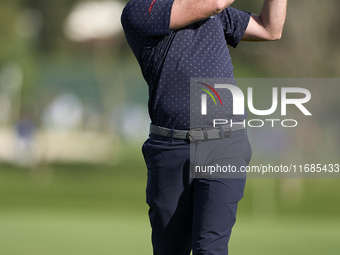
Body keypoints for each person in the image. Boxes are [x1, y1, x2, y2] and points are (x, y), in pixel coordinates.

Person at [121, 0, 287, 254]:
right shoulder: (141, 10)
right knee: (170, 248)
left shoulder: (216, 15)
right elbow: (215, 3)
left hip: (225, 143)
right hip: (170, 148)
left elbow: (270, 29)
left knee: (211, 249)